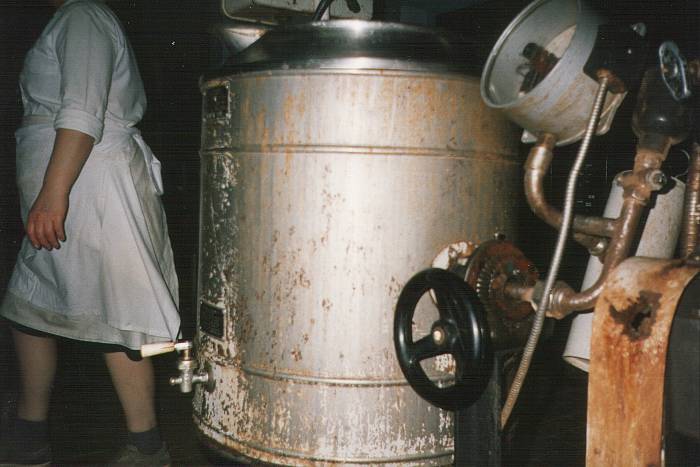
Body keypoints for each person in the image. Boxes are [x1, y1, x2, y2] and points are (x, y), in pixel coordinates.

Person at [0, 0, 181, 465]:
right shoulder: (68, 20)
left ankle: (146, 447)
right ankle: (30, 433)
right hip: (70, 186)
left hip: (91, 186)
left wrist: (53, 193)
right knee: (32, 307)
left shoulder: (83, 15)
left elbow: (82, 111)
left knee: (118, 316)